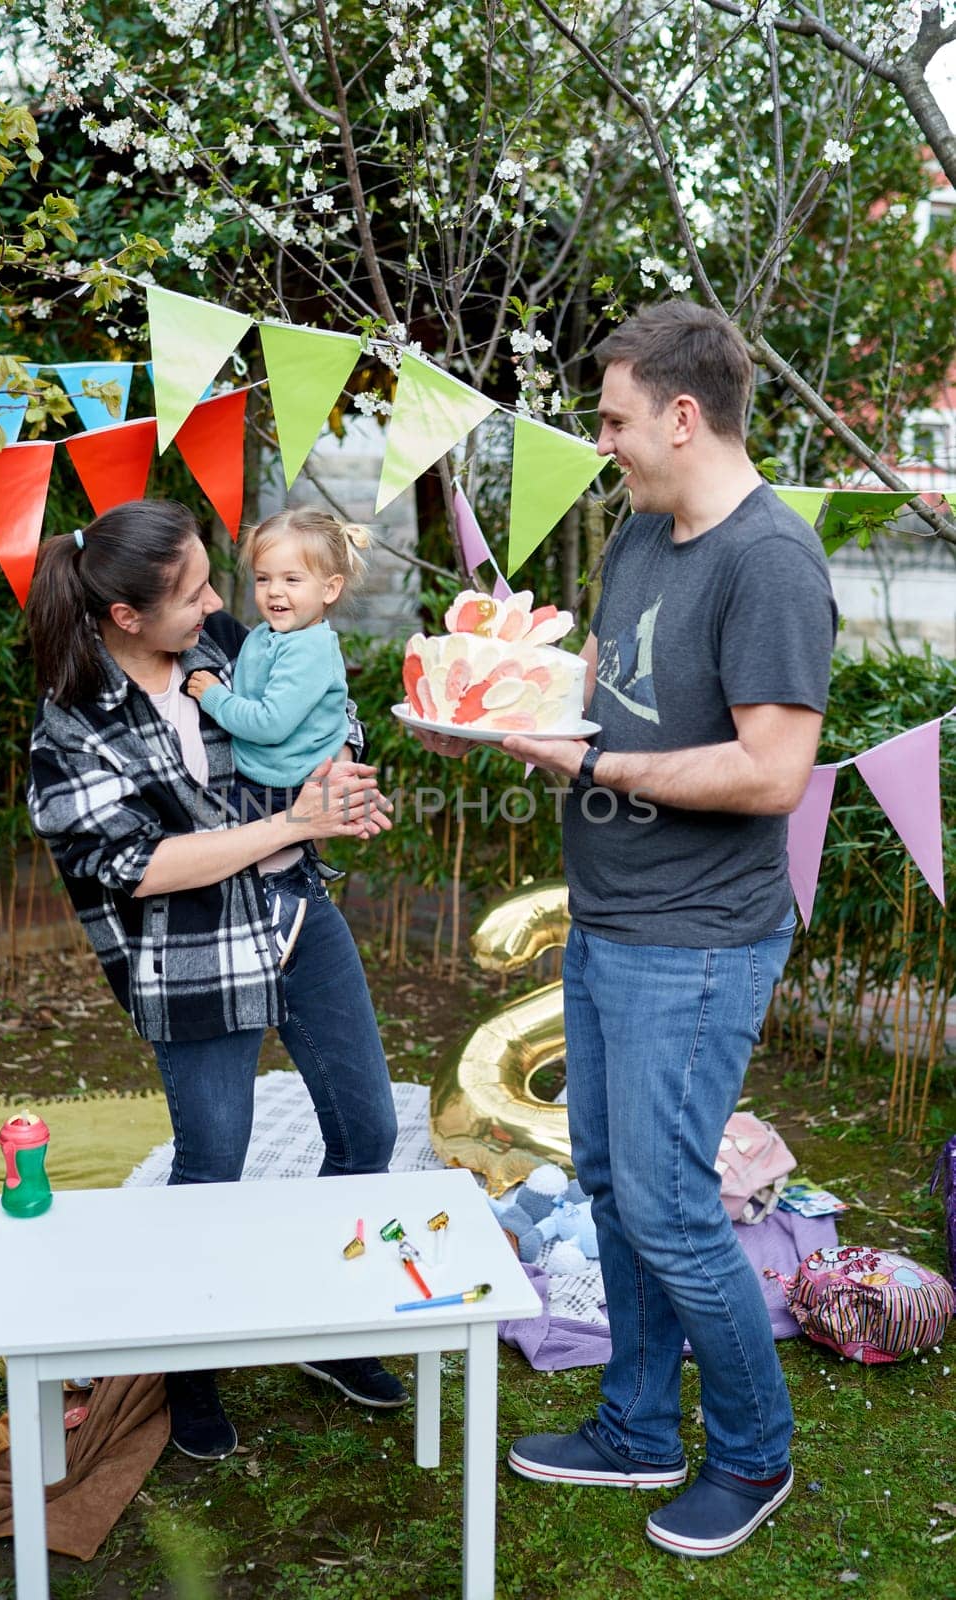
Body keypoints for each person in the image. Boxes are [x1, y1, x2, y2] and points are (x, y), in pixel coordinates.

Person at [422, 303, 837, 1558]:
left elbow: (772, 772)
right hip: (612, 916)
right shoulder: (642, 539)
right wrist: (489, 716)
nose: (598, 442)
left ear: (682, 414)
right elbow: (590, 701)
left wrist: (599, 756)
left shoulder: (769, 561)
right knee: (610, 1181)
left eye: (610, 420)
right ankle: (638, 1424)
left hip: (698, 937)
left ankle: (754, 1454)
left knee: (667, 1207)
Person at [25, 499, 406, 1463]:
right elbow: (141, 866)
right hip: (191, 955)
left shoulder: (230, 639)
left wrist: (344, 775)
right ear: (126, 618)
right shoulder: (74, 728)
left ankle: (332, 1329)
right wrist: (290, 826)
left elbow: (325, 708)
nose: (218, 603)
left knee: (368, 1127)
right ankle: (188, 1367)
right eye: (194, 593)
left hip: (295, 918)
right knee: (212, 1168)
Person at [183, 507, 370, 967]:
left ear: (330, 589)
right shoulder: (269, 635)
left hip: (282, 780)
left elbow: (270, 722)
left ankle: (284, 899)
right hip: (269, 771)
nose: (274, 592)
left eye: (292, 580)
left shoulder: (308, 648)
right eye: (264, 579)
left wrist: (214, 698)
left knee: (252, 848)